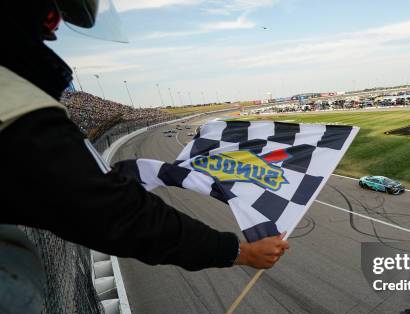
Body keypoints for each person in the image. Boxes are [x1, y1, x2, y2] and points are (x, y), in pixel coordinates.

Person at [0, 0, 289, 271]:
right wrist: (240, 252)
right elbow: (113, 213)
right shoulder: (17, 102)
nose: (56, 28)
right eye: (52, 17)